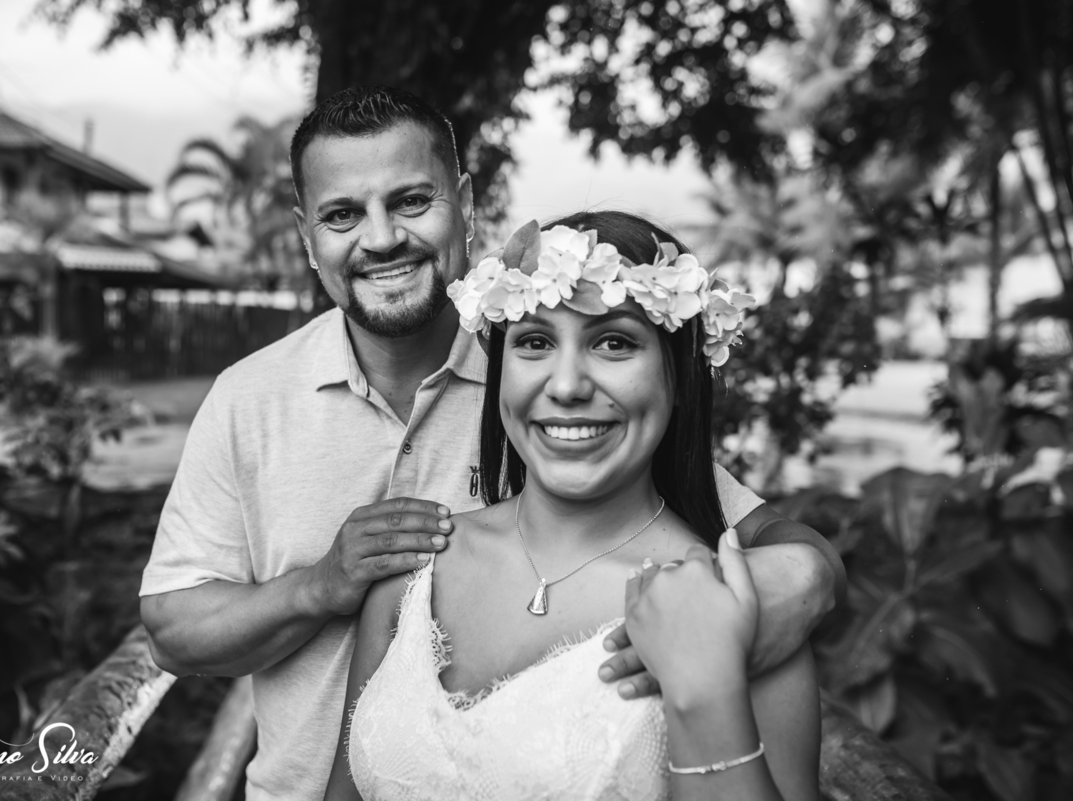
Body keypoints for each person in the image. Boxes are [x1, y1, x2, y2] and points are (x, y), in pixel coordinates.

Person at [139, 86, 841, 801]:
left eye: (412, 201)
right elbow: (171, 628)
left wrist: (804, 576)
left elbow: (725, 519)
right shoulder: (248, 398)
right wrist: (319, 587)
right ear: (306, 234)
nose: (381, 239)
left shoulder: (548, 379)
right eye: (342, 214)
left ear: (466, 206)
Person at [326, 212, 819, 800]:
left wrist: (706, 689)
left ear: (680, 378)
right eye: (535, 342)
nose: (566, 386)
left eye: (614, 343)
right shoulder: (413, 570)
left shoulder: (741, 606)